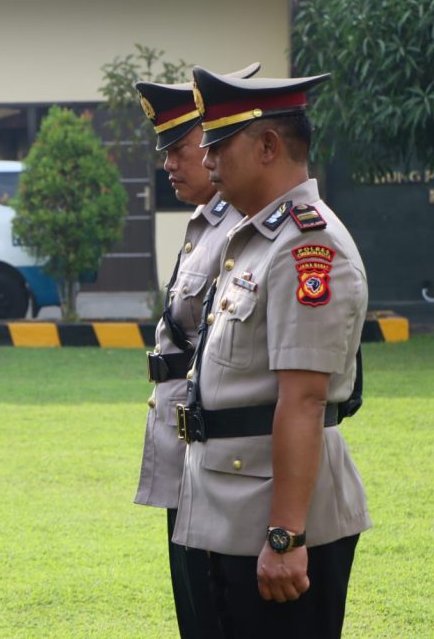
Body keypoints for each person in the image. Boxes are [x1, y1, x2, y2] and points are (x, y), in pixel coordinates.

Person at [171, 67, 370, 638]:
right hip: (226, 508)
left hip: (273, 523)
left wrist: (286, 538)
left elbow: (304, 400)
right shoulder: (257, 239)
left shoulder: (309, 246)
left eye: (217, 143)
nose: (206, 159)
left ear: (267, 145)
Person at [133, 62, 259, 639]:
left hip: (215, 444)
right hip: (180, 434)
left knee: (216, 607)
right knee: (194, 604)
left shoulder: (241, 226)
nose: (173, 164)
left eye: (182, 148)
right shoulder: (204, 222)